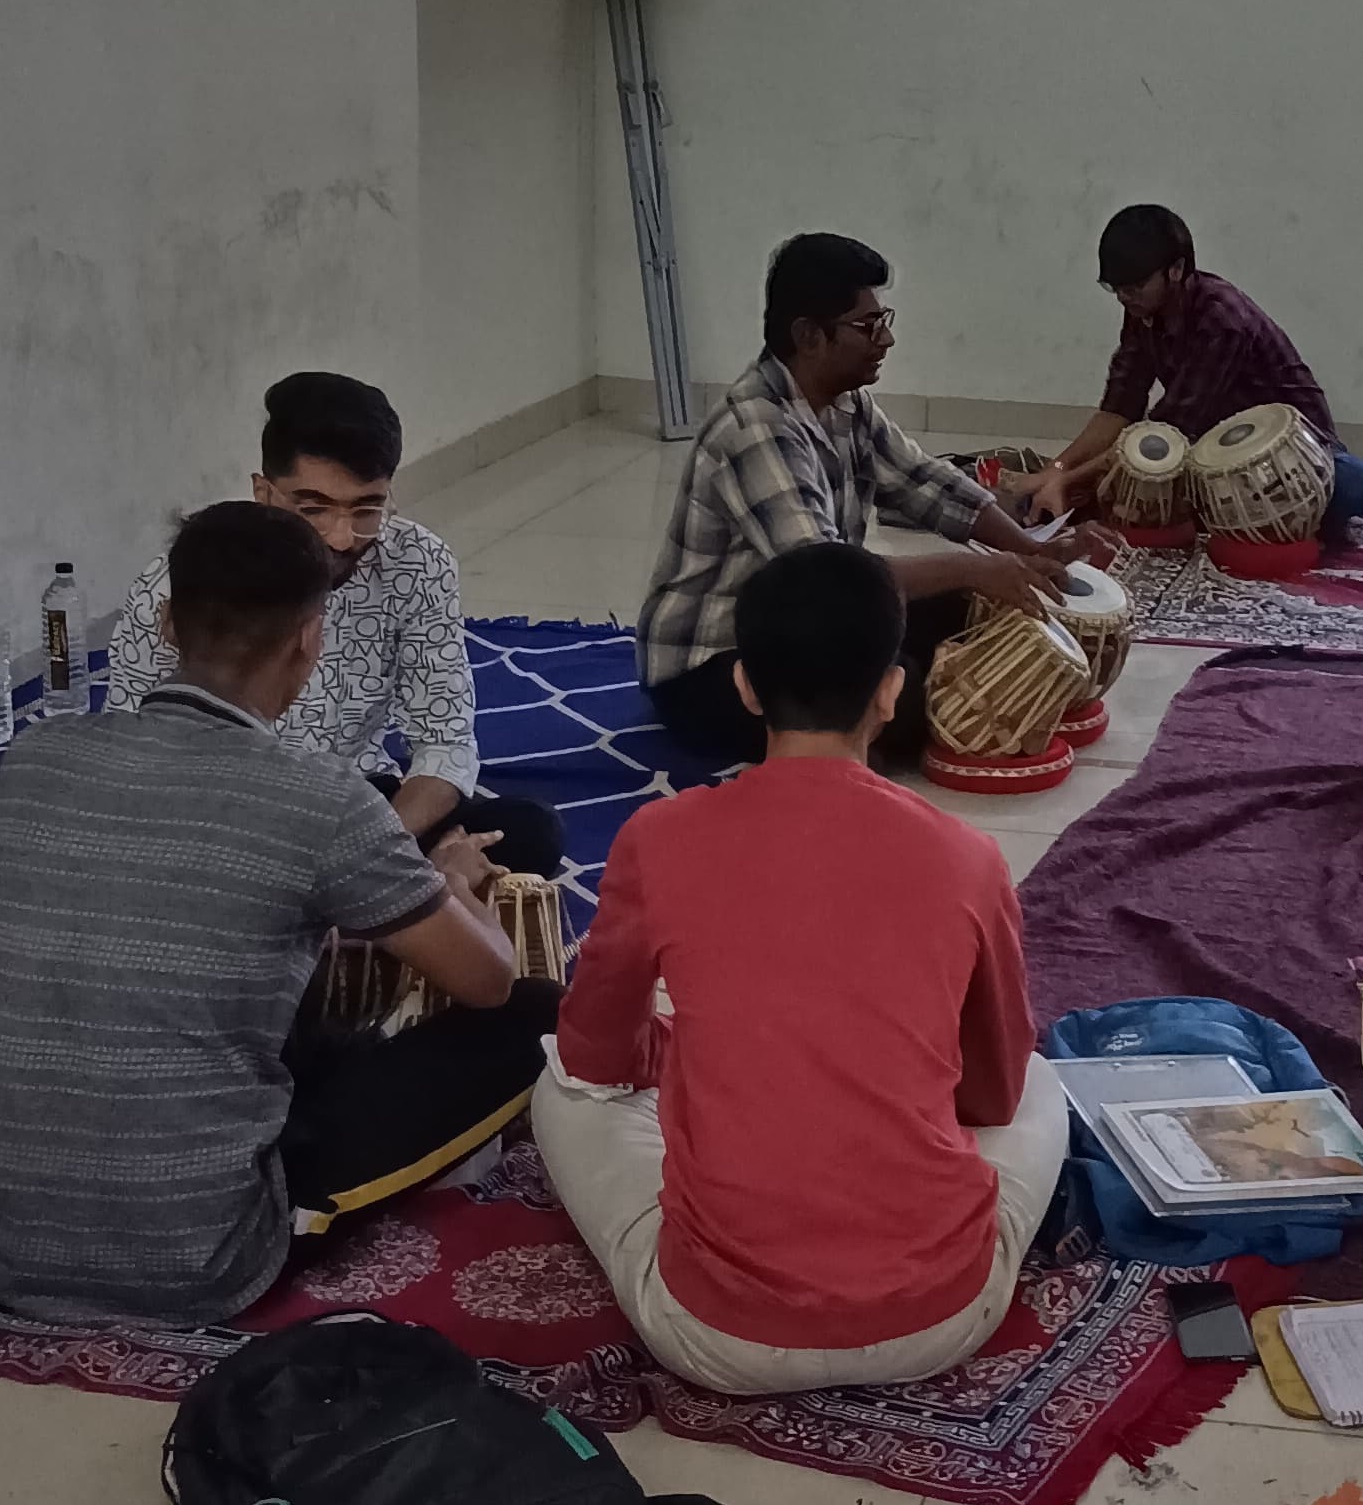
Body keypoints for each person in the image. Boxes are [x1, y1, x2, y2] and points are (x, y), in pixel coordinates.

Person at [0, 502, 557, 1328]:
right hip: (195, 1258)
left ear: (165, 621)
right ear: (309, 638)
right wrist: (447, 878)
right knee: (535, 1015)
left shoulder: (31, 759)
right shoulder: (324, 799)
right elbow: (486, 980)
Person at [537, 542, 1066, 1395]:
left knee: (559, 1089)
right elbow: (995, 1092)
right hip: (941, 1318)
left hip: (716, 1336)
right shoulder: (969, 857)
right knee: (1045, 1083)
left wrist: (694, 1060)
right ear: (894, 688)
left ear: (744, 684)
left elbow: (597, 1055)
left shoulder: (659, 839)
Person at [639, 232, 1109, 766]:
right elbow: (831, 580)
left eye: (884, 321)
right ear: (808, 336)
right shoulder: (754, 428)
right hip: (716, 666)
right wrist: (974, 568)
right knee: (900, 704)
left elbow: (929, 484)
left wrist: (1030, 550)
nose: (884, 340)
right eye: (868, 326)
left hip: (807, 624)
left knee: (973, 609)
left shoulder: (847, 404)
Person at [108, 373, 564, 878]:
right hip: (218, 818)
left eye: (367, 509)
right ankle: (392, 906)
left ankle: (354, 901)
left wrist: (361, 845)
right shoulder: (178, 583)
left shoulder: (417, 562)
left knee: (528, 832)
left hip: (357, 806)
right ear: (263, 492)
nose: (343, 538)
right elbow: (135, 760)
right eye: (313, 508)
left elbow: (445, 741)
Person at [1017, 205, 1363, 544]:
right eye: (1115, 288)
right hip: (1209, 455)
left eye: (1135, 287)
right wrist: (1056, 469)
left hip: (1290, 463)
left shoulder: (1222, 319)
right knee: (1101, 490)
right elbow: (1119, 408)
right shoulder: (1142, 311)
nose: (1123, 298)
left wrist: (1069, 479)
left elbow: (1164, 435)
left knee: (1354, 486)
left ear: (1176, 270)